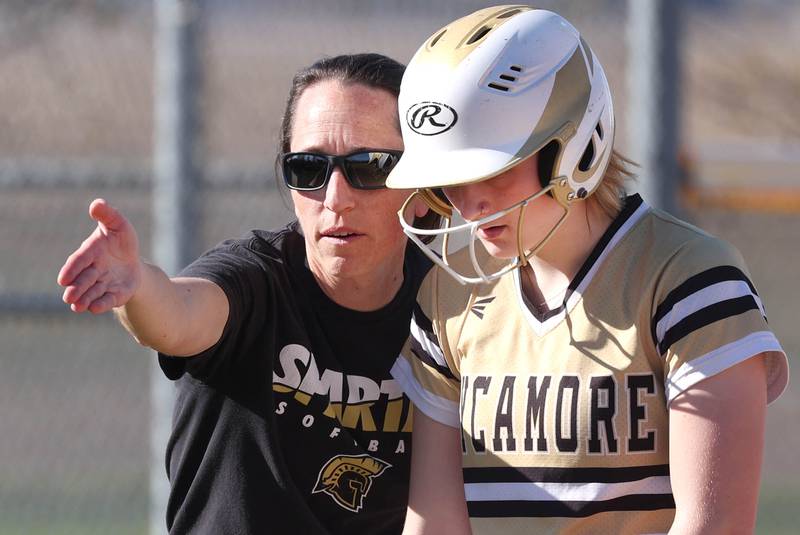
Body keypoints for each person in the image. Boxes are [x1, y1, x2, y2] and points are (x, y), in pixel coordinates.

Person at [385, 6, 790, 535]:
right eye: (447, 180)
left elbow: (714, 525)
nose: (468, 204)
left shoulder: (688, 277)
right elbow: (434, 524)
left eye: (491, 169)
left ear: (575, 147)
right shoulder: (448, 299)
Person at [57, 53, 435, 534]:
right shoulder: (256, 277)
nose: (336, 197)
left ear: (423, 186)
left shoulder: (453, 308)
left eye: (369, 166)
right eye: (308, 168)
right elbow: (178, 315)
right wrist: (136, 285)